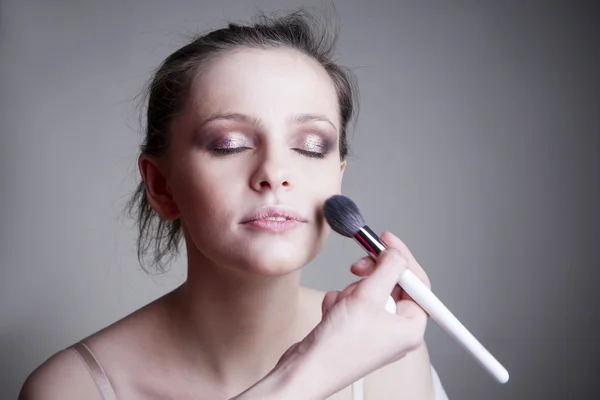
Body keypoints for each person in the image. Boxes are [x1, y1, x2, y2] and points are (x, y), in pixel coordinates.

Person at [19, 9, 448, 399]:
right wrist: (312, 370)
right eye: (230, 144)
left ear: (338, 180)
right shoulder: (73, 387)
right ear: (162, 185)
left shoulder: (388, 357)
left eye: (312, 146)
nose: (275, 172)